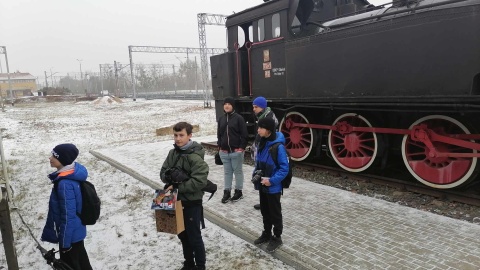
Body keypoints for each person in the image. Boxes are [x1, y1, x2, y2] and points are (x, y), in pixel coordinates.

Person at [160, 122, 208, 270]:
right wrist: (169, 176)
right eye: (175, 135)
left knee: (194, 237)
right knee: (182, 234)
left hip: (192, 202)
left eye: (181, 135)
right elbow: (162, 172)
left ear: (190, 136)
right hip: (175, 200)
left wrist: (178, 186)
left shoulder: (195, 157)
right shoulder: (172, 153)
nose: (178, 139)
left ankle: (200, 266)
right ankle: (189, 263)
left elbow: (199, 181)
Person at [41, 143, 93, 270]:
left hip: (70, 237)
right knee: (82, 264)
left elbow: (68, 216)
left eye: (54, 156)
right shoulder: (70, 176)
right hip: (76, 233)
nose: (50, 158)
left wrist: (64, 243)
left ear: (63, 160)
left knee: (72, 266)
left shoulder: (64, 184)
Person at [252, 117, 289, 253]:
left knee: (275, 213)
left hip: (272, 187)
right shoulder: (262, 142)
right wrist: (255, 175)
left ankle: (277, 237)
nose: (258, 130)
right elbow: (258, 163)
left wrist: (271, 180)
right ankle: (266, 233)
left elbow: (284, 169)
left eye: (260, 127)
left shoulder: (278, 147)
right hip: (263, 185)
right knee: (265, 211)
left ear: (268, 130)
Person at [217, 97, 248, 203]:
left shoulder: (239, 118)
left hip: (236, 152)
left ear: (233, 106)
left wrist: (241, 148)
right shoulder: (221, 119)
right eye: (225, 104)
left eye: (229, 104)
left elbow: (244, 135)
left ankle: (239, 191)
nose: (227, 106)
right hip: (224, 152)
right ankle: (227, 192)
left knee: (238, 172)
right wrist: (220, 146)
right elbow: (219, 135)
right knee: (227, 172)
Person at [252, 96, 278, 210]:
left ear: (262, 107)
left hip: (266, 151)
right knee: (261, 174)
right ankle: (264, 202)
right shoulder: (263, 116)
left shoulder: (269, 118)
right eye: (253, 107)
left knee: (266, 175)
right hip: (261, 150)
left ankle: (267, 203)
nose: (254, 109)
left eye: (256, 107)